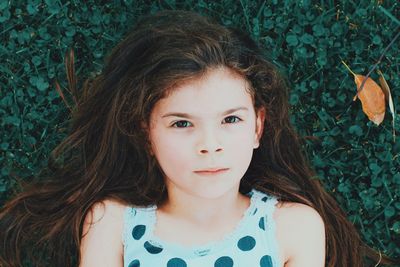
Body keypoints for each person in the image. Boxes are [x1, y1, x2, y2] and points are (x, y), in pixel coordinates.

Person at [0, 9, 398, 267]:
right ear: (145, 132)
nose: (210, 144)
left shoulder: (293, 227)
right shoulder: (111, 222)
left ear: (258, 127)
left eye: (230, 119)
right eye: (181, 123)